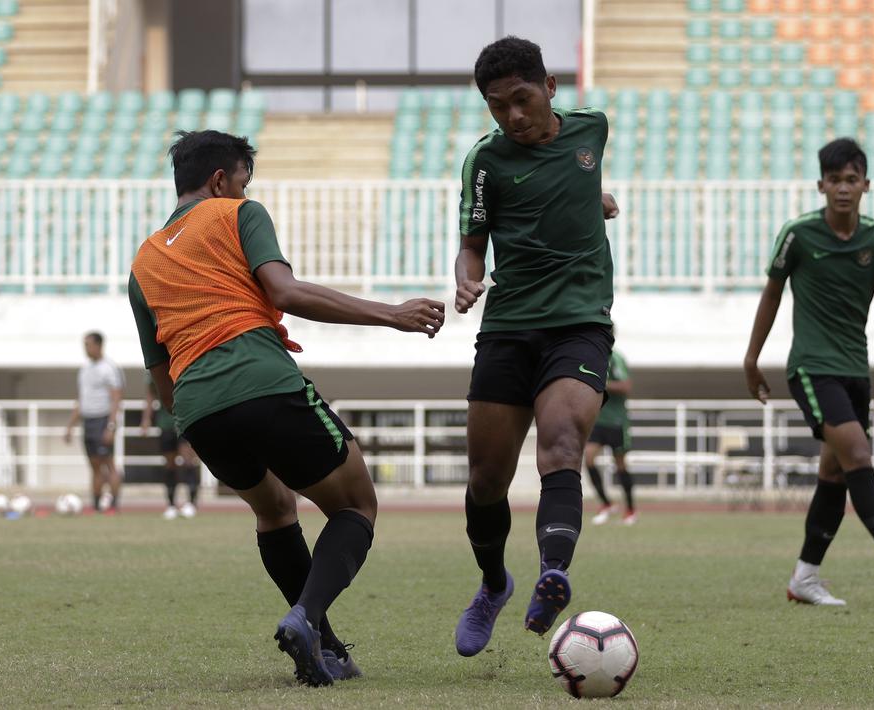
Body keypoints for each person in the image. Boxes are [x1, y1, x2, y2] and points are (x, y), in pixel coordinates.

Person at [128, 129, 445, 686]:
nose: (246, 189)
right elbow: (286, 293)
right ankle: (306, 617)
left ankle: (326, 650)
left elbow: (161, 375)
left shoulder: (143, 263)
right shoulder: (237, 213)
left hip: (199, 411)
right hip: (262, 381)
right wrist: (391, 314)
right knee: (355, 507)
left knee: (274, 510)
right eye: (243, 181)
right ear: (221, 180)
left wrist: (194, 424)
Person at [452, 36, 621, 657]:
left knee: (562, 443)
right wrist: (467, 278)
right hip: (508, 324)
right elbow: (473, 241)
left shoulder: (592, 130)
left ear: (550, 87)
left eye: (522, 100)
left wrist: (594, 196)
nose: (513, 116)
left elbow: (579, 176)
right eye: (499, 107)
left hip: (579, 323)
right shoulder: (485, 162)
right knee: (486, 479)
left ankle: (554, 572)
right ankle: (495, 584)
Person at [743, 137, 874, 606]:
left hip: (856, 370)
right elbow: (771, 295)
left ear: (866, 184)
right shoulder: (799, 234)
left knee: (834, 472)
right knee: (858, 454)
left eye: (851, 179)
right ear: (820, 185)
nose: (843, 188)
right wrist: (751, 360)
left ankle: (804, 578)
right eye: (834, 180)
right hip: (811, 367)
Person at [63, 332, 124, 514]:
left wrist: (111, 426)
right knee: (95, 465)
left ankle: (114, 505)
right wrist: (70, 426)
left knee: (109, 464)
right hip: (88, 421)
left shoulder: (109, 368)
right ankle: (97, 506)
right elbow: (81, 400)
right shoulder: (84, 369)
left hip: (103, 419)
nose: (86, 348)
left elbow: (116, 398)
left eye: (88, 344)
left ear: (99, 345)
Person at [585, 347, 636, 525]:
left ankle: (630, 510)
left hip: (616, 421)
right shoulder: (589, 357)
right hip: (597, 421)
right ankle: (606, 503)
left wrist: (601, 382)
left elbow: (626, 385)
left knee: (620, 465)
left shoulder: (615, 358)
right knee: (589, 458)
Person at [140, 377, 202, 520]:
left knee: (189, 461)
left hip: (187, 420)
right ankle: (171, 505)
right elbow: (150, 394)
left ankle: (191, 504)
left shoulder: (185, 360)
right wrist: (146, 418)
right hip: (166, 423)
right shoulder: (154, 368)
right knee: (169, 465)